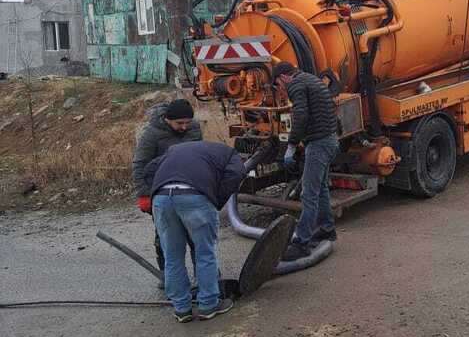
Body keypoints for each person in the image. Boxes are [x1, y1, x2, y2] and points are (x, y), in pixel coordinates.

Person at [142, 140, 247, 322]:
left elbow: (149, 170)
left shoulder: (174, 148)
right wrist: (216, 198)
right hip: (194, 197)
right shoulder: (230, 154)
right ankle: (208, 305)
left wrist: (159, 188)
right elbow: (237, 173)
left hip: (162, 199)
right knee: (205, 252)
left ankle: (181, 309)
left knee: (172, 256)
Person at [272, 61, 339, 260]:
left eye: (278, 84)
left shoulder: (296, 85)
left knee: (309, 194)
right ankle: (327, 228)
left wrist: (291, 146)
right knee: (321, 190)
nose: (281, 89)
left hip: (319, 144)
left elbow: (300, 116)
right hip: (330, 140)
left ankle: (302, 243)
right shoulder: (310, 79)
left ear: (283, 77)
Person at [132, 99, 202, 277]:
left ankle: (203, 277)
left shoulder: (193, 129)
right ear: (167, 120)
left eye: (188, 122)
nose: (184, 127)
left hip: (190, 190)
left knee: (197, 237)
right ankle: (168, 278)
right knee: (165, 238)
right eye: (180, 123)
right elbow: (140, 165)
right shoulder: (151, 134)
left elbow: (198, 157)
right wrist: (144, 195)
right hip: (161, 193)